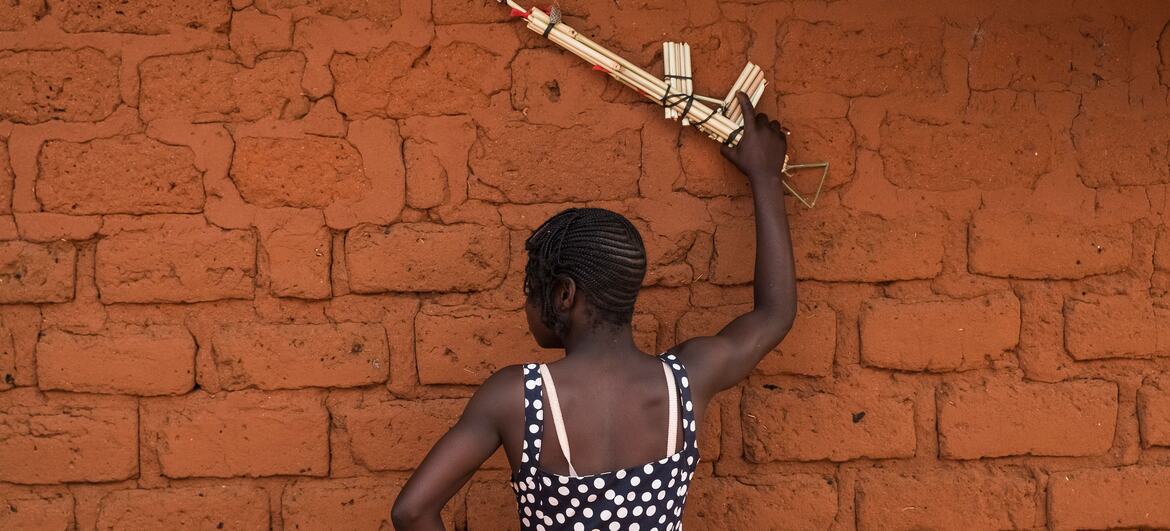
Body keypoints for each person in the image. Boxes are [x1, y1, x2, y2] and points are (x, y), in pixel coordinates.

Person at [391, 92, 796, 531]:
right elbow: (774, 314)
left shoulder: (516, 397)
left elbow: (412, 511)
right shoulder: (689, 379)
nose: (526, 304)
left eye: (532, 289)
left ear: (564, 294)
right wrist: (765, 177)